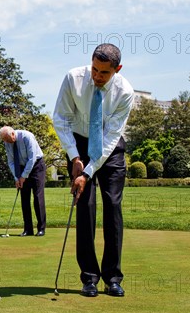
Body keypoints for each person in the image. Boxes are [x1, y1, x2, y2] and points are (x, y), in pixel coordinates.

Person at [53, 43, 134, 297]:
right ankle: (89, 277)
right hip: (78, 142)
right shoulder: (73, 78)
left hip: (109, 148)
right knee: (85, 207)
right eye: (94, 69)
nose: (97, 76)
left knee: (112, 205)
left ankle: (113, 278)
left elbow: (110, 138)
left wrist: (88, 172)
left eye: (104, 73)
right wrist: (74, 156)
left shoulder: (125, 92)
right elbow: (61, 119)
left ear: (117, 69)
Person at [0, 126, 47, 237]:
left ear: (12, 134)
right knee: (24, 198)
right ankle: (28, 229)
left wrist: (23, 176)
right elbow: (11, 162)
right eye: (4, 140)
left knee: (37, 197)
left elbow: (32, 158)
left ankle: (41, 228)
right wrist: (17, 178)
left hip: (36, 167)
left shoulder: (27, 136)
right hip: (20, 168)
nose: (7, 142)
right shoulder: (7, 142)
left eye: (7, 139)